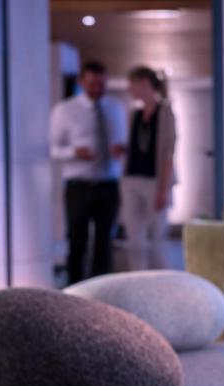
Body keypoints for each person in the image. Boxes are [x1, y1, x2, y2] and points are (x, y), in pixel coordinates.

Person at [50, 60, 128, 284]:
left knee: (105, 241)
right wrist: (74, 152)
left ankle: (102, 290)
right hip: (79, 186)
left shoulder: (115, 108)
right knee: (77, 240)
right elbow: (53, 148)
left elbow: (122, 141)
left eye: (101, 84)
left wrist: (121, 149)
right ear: (82, 82)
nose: (97, 88)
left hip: (108, 184)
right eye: (92, 83)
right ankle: (75, 290)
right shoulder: (65, 110)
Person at [121, 66, 177, 270]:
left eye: (132, 84)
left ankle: (160, 280)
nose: (130, 89)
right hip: (132, 179)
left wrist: (163, 189)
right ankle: (137, 279)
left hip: (155, 181)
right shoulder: (134, 114)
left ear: (144, 83)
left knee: (157, 238)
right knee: (134, 239)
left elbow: (168, 152)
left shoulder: (165, 112)